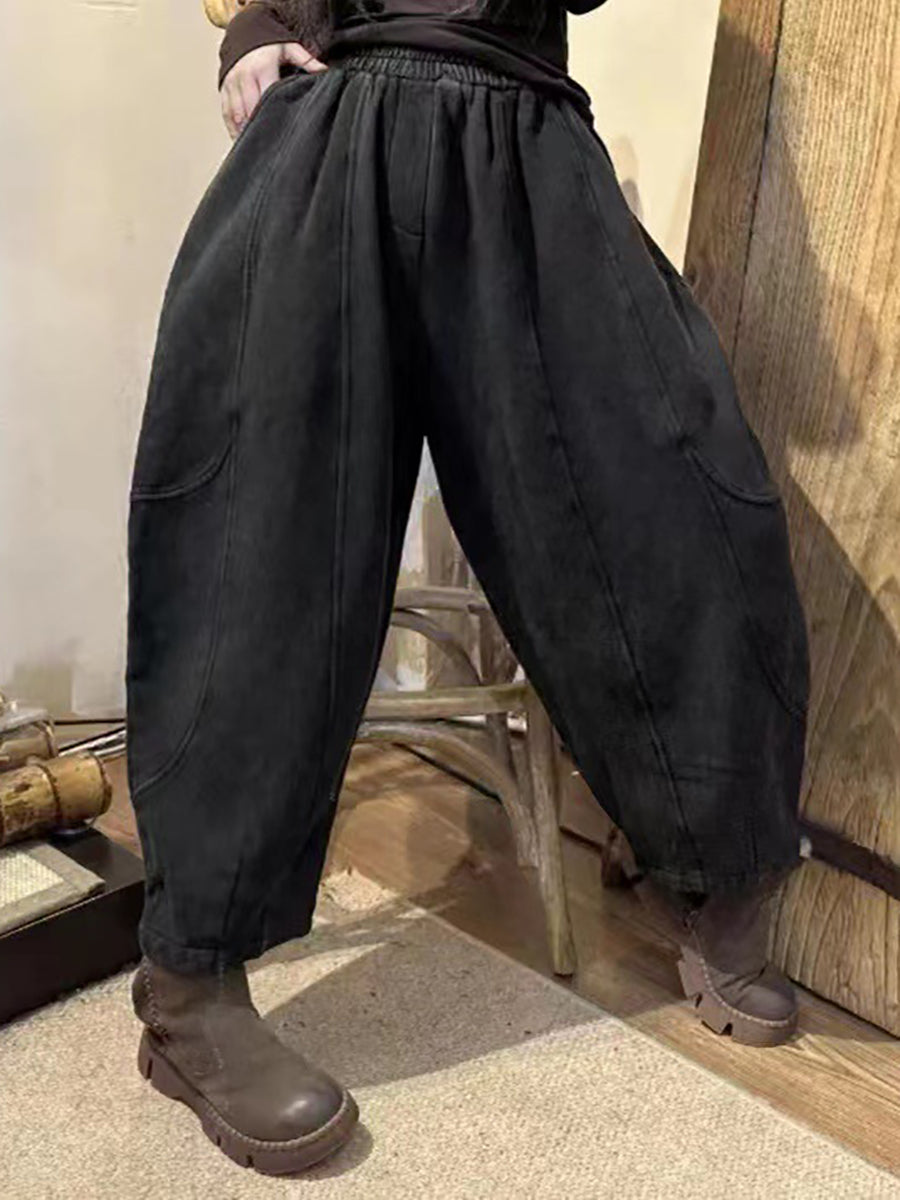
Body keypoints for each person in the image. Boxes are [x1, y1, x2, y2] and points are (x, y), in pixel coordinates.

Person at [126, 0, 811, 1174]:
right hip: (338, 104)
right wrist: (254, 28)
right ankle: (189, 983)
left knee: (671, 490)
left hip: (526, 120)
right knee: (260, 533)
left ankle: (712, 860)